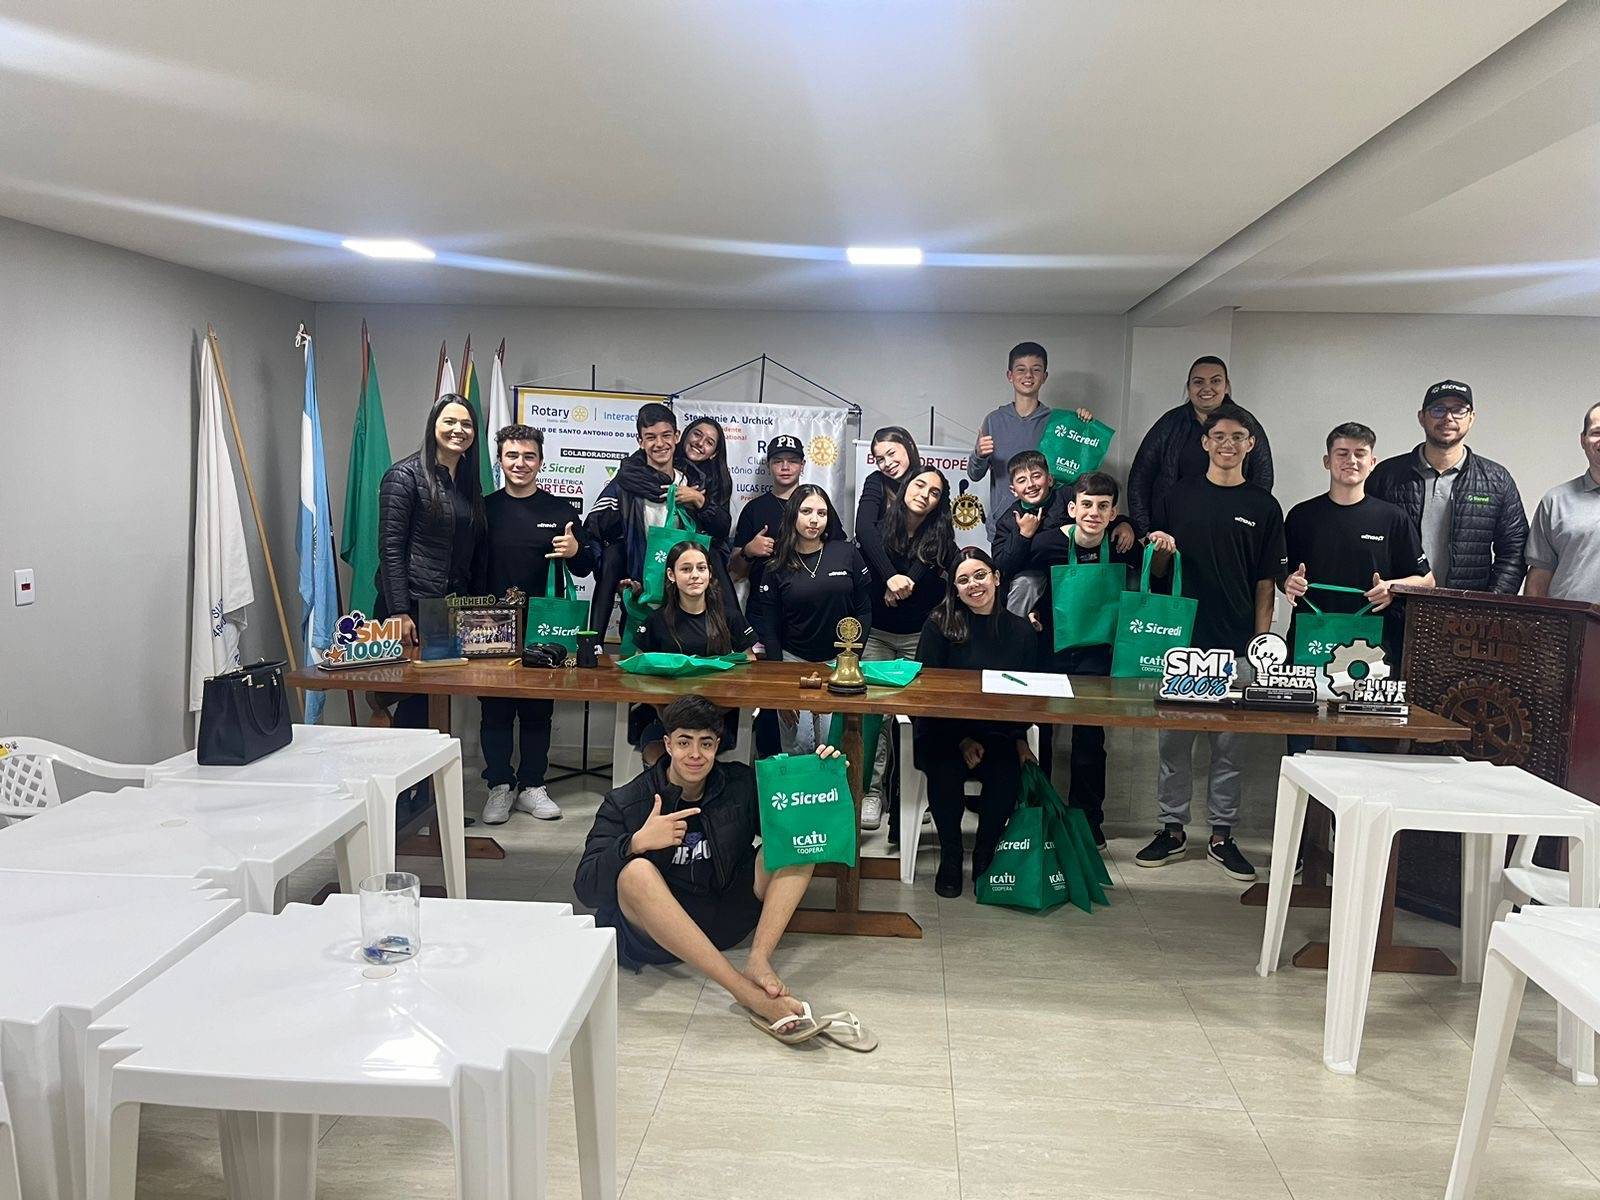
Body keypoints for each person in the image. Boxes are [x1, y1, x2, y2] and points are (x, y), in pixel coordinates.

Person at [573, 694, 848, 1038]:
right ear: (667, 744)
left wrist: (823, 776)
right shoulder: (627, 800)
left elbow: (796, 823)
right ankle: (745, 992)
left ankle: (758, 961)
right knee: (636, 873)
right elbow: (586, 888)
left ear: (717, 746)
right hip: (657, 937)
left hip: (722, 918)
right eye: (684, 742)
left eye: (705, 743)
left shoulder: (740, 783)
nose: (695, 754)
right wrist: (635, 843)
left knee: (797, 845)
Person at [1138, 402, 1287, 882]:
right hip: (1181, 645)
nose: (1227, 444)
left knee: (1229, 751)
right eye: (1218, 436)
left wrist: (1261, 648)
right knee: (1173, 746)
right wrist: (1161, 551)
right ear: (1204, 443)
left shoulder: (1264, 506)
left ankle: (1222, 836)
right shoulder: (1177, 496)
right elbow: (1158, 573)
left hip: (1238, 648)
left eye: (1237, 437)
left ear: (1250, 445)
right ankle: (1172, 829)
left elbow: (1266, 582)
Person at [1280, 423, 1434, 757]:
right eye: (1342, 453)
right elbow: (1281, 573)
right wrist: (1288, 582)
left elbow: (1427, 580)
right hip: (1309, 644)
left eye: (1360, 454)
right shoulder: (1301, 515)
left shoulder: (1392, 518)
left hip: (1370, 650)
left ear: (1372, 462)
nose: (1351, 461)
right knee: (1302, 750)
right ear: (1327, 461)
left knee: (1358, 751)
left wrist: (1392, 587)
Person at [474, 424, 594, 824]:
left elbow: (585, 566)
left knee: (537, 711)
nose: (520, 463)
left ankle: (531, 786)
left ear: (540, 461)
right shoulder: (483, 509)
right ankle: (499, 786)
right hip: (490, 624)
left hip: (544, 628)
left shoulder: (560, 511)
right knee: (494, 712)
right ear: (500, 460)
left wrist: (576, 550)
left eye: (529, 456)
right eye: (512, 455)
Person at [1024, 471, 1143, 847]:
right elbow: (1015, 575)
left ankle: (1088, 820)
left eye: (1103, 507)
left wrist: (1143, 532)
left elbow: (1153, 572)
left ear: (1113, 513)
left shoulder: (1122, 545)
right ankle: (1036, 812)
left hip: (1098, 656)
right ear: (1073, 508)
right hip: (1049, 651)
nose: (1094, 513)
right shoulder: (1047, 543)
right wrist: (1026, 614)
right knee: (1039, 734)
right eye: (1087, 504)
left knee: (1090, 740)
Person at [915, 548, 1040, 895]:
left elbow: (1028, 696)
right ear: (955, 590)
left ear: (996, 578)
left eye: (981, 575)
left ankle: (986, 853)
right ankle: (951, 856)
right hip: (943, 731)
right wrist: (962, 740)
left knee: (1006, 771)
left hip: (999, 731)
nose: (974, 584)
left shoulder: (1021, 631)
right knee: (944, 770)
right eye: (964, 580)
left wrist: (1020, 740)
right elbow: (927, 695)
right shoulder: (938, 625)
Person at [376, 394, 487, 731]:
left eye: (466, 424)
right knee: (407, 700)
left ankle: (431, 769)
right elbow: (390, 548)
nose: (458, 430)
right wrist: (399, 612)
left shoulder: (468, 482)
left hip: (446, 611)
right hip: (409, 608)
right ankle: (404, 768)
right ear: (433, 426)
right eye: (449, 421)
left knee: (434, 702)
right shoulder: (403, 475)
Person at [858, 465, 957, 831]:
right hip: (877, 635)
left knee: (915, 717)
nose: (924, 495)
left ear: (939, 503)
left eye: (934, 492)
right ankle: (871, 793)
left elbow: (952, 575)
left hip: (919, 638)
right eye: (919, 485)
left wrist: (906, 583)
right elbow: (871, 565)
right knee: (876, 716)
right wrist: (891, 578)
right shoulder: (878, 529)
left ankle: (910, 792)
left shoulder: (942, 540)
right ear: (904, 488)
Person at [1367, 380, 1527, 593]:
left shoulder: (1497, 480)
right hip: (1396, 604)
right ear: (1421, 417)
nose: (1448, 417)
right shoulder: (1387, 476)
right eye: (1438, 409)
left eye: (1459, 410)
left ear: (1471, 418)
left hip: (1466, 610)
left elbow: (1514, 551)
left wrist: (1490, 602)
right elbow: (1363, 541)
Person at [584, 402, 728, 638]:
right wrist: (619, 573)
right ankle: (594, 642)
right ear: (640, 441)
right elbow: (596, 532)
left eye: (666, 435)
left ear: (677, 437)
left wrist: (700, 502)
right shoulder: (626, 485)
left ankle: (739, 638)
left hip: (684, 597)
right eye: (650, 437)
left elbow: (720, 531)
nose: (659, 444)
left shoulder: (693, 483)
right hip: (641, 593)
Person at [749, 484, 873, 755]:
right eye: (806, 512)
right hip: (793, 663)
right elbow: (769, 627)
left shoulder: (847, 553)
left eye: (821, 513)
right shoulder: (776, 564)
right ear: (793, 514)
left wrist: (853, 659)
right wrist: (781, 688)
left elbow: (864, 610)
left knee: (834, 749)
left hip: (839, 666)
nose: (814, 519)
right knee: (799, 750)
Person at [628, 541, 757, 763]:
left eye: (701, 568)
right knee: (660, 754)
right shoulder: (655, 621)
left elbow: (750, 663)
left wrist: (714, 710)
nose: (695, 575)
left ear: (710, 573)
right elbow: (639, 669)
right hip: (664, 718)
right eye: (686, 569)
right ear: (671, 575)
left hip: (718, 718)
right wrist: (664, 710)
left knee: (695, 755)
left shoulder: (731, 618)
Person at [1126, 356, 1274, 537]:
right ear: (1188, 388)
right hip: (1173, 528)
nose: (1207, 388)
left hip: (1230, 530)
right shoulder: (1169, 424)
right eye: (1198, 382)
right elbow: (1141, 475)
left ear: (1226, 386)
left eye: (1215, 381)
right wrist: (1143, 530)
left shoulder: (1246, 424)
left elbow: (1263, 476)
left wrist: (1251, 522)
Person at [731, 433, 808, 758]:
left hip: (806, 614)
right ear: (769, 466)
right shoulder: (755, 509)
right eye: (778, 461)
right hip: (762, 614)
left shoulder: (814, 505)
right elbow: (734, 570)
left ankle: (805, 769)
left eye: (792, 460)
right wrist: (748, 550)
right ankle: (767, 768)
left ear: (802, 465)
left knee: (804, 691)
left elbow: (837, 554)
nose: (785, 467)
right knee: (766, 693)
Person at [969, 342, 1096, 539]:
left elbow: (1073, 475)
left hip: (1049, 526)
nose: (1028, 375)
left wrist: (1081, 425)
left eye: (1036, 370)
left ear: (1044, 376)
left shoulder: (1058, 423)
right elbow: (974, 474)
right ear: (1010, 375)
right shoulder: (994, 420)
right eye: (1021, 369)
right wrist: (979, 455)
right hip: (1004, 526)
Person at [991, 449, 1135, 617]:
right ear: (1013, 490)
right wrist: (1023, 535)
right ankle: (1014, 628)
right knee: (1027, 583)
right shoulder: (1008, 520)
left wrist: (1125, 524)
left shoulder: (1066, 496)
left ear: (1050, 479)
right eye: (1022, 480)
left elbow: (1095, 512)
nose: (1030, 484)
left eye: (1036, 476)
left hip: (1074, 570)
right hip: (1038, 576)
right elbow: (1002, 568)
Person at [1525, 401, 1600, 601]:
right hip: (1570, 620)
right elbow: (1539, 577)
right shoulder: (1555, 502)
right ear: (1583, 440)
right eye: (1596, 432)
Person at [854, 426, 920, 596]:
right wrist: (890, 577)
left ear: (909, 446)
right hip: (878, 578)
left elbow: (937, 537)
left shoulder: (928, 480)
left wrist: (904, 584)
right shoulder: (876, 481)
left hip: (917, 581)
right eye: (880, 459)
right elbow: (864, 528)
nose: (887, 463)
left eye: (891, 453)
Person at [678, 416, 735, 562]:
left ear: (714, 453)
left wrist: (700, 501)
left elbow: (723, 529)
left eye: (709, 442)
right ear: (686, 434)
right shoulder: (663, 459)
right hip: (659, 544)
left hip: (701, 552)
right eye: (697, 434)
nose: (700, 443)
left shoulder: (719, 479)